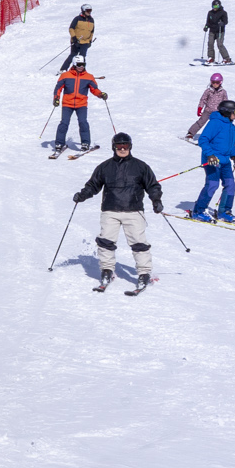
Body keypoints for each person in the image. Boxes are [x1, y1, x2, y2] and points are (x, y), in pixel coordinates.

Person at [74, 133, 163, 291]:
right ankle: (107, 270)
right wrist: (82, 195)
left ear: (130, 146)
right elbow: (93, 185)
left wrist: (156, 200)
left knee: (139, 243)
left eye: (125, 146)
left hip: (133, 210)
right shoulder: (105, 167)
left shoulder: (141, 166)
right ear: (113, 147)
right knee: (106, 241)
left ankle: (144, 273)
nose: (122, 149)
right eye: (119, 146)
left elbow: (152, 186)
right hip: (110, 210)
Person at [191, 100, 235, 224]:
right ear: (227, 112)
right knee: (213, 184)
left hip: (225, 161)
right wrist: (210, 155)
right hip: (212, 160)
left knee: (231, 185)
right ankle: (198, 211)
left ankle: (224, 212)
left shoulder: (231, 126)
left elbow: (230, 146)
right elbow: (203, 140)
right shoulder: (215, 123)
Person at [52, 55, 107, 154]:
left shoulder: (89, 77)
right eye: (79, 64)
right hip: (67, 104)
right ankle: (59, 143)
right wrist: (56, 98)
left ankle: (85, 143)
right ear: (74, 64)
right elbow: (58, 88)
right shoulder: (65, 75)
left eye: (83, 64)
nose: (81, 66)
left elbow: (94, 89)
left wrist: (101, 94)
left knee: (83, 122)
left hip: (81, 104)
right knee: (64, 123)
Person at [187, 73, 227, 141]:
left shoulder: (223, 92)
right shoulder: (208, 91)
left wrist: (225, 111)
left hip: (217, 112)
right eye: (213, 82)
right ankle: (190, 133)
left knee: (218, 125)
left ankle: (219, 137)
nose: (215, 84)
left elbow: (225, 102)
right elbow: (203, 100)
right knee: (201, 122)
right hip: (208, 110)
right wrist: (200, 108)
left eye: (217, 82)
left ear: (220, 82)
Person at [63, 4, 96, 70]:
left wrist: (90, 40)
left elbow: (91, 32)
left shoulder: (91, 20)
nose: (89, 12)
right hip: (76, 40)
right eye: (88, 10)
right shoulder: (77, 19)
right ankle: (63, 69)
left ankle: (81, 70)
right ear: (83, 10)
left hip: (85, 41)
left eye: (90, 10)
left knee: (82, 57)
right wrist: (74, 38)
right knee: (73, 55)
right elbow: (71, 29)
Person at [205, 0, 233, 65]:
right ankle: (211, 58)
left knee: (220, 44)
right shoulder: (210, 13)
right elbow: (208, 22)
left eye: (216, 6)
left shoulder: (223, 13)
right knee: (210, 44)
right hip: (212, 30)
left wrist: (222, 23)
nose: (215, 8)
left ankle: (227, 58)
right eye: (214, 6)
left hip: (220, 31)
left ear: (219, 6)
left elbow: (225, 21)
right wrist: (206, 27)